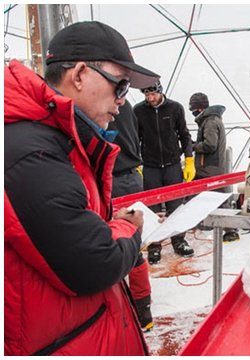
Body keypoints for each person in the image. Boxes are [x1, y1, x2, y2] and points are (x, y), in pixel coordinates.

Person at [5, 21, 160, 355]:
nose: (122, 102)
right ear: (78, 75)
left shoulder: (57, 139)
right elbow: (96, 261)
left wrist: (103, 224)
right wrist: (128, 227)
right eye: (120, 86)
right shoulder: (32, 151)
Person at [134, 80, 195, 261]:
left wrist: (189, 159)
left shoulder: (175, 108)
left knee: (175, 205)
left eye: (153, 94)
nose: (150, 98)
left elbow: (184, 135)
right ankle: (155, 244)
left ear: (160, 91)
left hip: (172, 165)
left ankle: (178, 241)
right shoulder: (139, 111)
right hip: (151, 166)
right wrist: (137, 162)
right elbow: (135, 138)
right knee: (152, 207)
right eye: (147, 95)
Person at [108, 99, 153, 331]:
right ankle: (144, 311)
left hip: (113, 178)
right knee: (134, 246)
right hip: (132, 177)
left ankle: (126, 314)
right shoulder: (125, 105)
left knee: (114, 245)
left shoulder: (100, 102)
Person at [189, 92, 239, 242]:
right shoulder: (213, 119)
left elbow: (210, 145)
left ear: (198, 108)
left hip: (210, 169)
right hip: (213, 168)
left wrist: (193, 146)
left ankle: (231, 231)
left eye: (192, 108)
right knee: (218, 199)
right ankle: (228, 230)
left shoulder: (210, 121)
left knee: (217, 199)